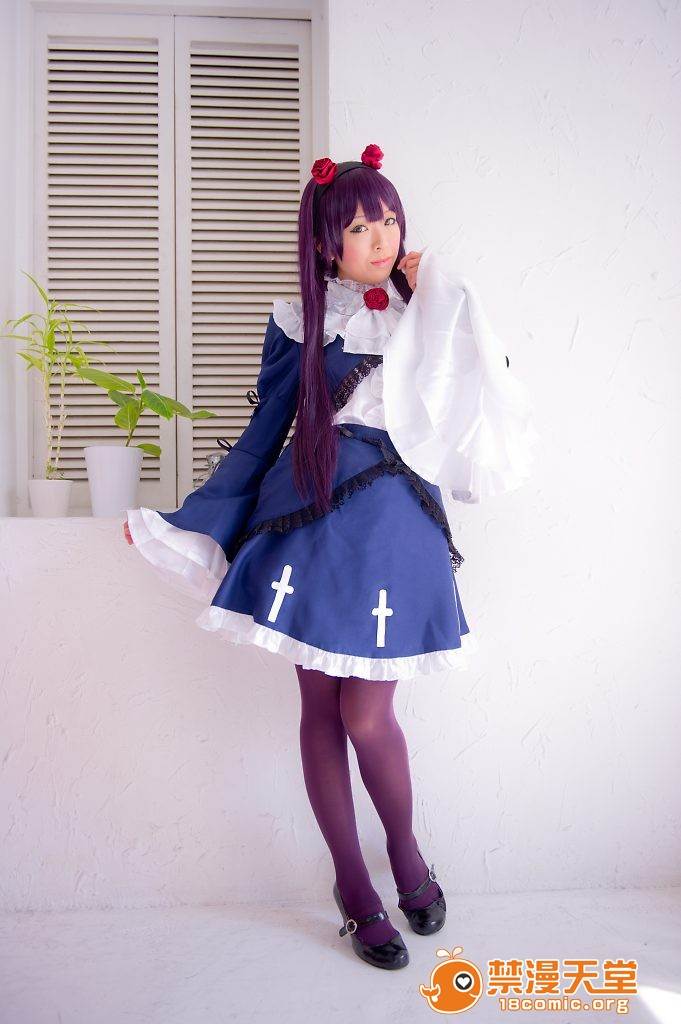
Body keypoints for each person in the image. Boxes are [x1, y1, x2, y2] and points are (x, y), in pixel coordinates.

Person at [124, 143, 537, 970]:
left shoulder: (433, 312)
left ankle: (405, 855)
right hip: (308, 515)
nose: (379, 237)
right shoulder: (300, 322)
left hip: (398, 522)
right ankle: (353, 886)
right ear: (326, 243)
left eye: (387, 219)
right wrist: (192, 520)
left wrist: (439, 289)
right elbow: (262, 431)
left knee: (366, 714)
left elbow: (487, 392)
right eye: (358, 226)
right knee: (320, 708)